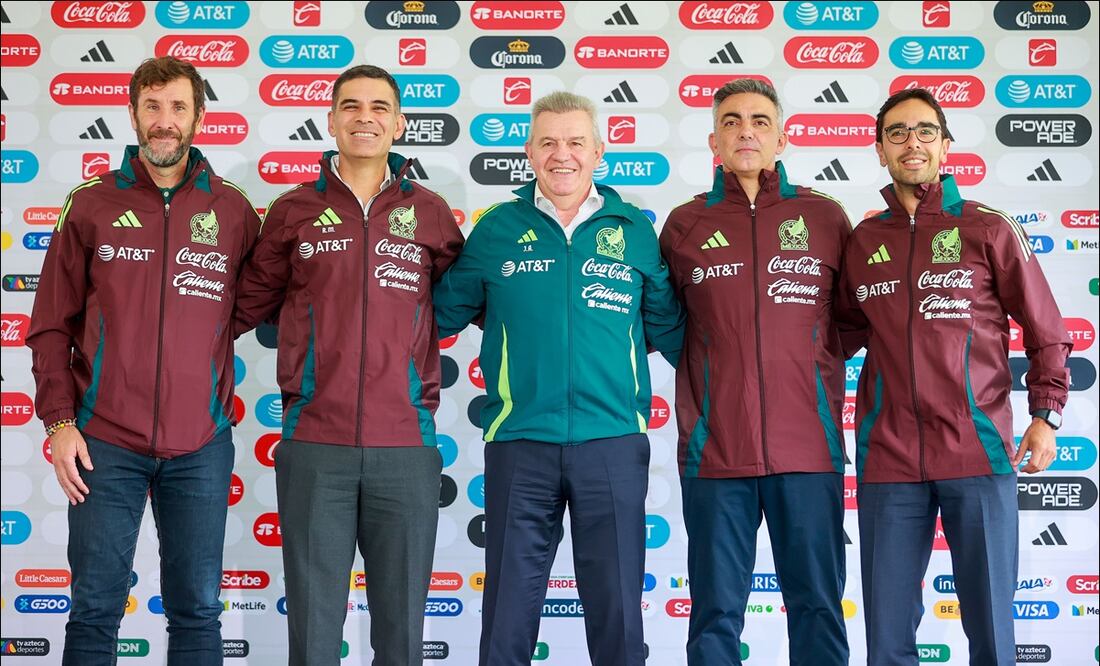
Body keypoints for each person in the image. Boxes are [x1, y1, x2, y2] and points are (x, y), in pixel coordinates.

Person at [432, 91, 683, 666]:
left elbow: (673, 331)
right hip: (520, 441)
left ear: (599, 151)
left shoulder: (635, 232)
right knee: (507, 613)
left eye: (575, 142)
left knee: (618, 610)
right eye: (547, 142)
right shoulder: (496, 230)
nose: (561, 155)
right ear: (529, 151)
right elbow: (440, 314)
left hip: (613, 443)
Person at [26, 56, 260, 666]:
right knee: (96, 608)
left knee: (198, 612)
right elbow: (50, 326)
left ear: (199, 117)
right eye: (152, 107)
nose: (164, 122)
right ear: (132, 114)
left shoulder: (234, 211)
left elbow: (255, 303)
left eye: (178, 107)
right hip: (103, 442)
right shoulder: (90, 204)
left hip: (202, 443)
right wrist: (58, 422)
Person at [233, 64, 463, 666]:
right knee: (312, 632)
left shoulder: (433, 214)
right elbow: (240, 308)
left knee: (402, 634)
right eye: (352, 106)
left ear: (398, 123)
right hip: (315, 444)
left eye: (380, 107)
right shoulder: (292, 211)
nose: (366, 117)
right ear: (331, 119)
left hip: (407, 445)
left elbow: (464, 301)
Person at [839, 87, 1072, 665]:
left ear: (945, 146)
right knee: (887, 632)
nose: (910, 142)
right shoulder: (865, 240)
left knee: (991, 626)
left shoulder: (988, 228)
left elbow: (1046, 328)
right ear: (879, 149)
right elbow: (832, 337)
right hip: (889, 458)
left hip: (977, 451)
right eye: (896, 133)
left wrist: (1046, 415)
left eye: (923, 131)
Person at [659, 78, 850, 666]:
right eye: (733, 120)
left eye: (761, 120)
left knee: (818, 605)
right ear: (714, 139)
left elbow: (854, 321)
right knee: (716, 610)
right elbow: (669, 328)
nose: (747, 130)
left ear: (782, 136)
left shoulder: (824, 216)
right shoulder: (684, 224)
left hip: (809, 449)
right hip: (717, 452)